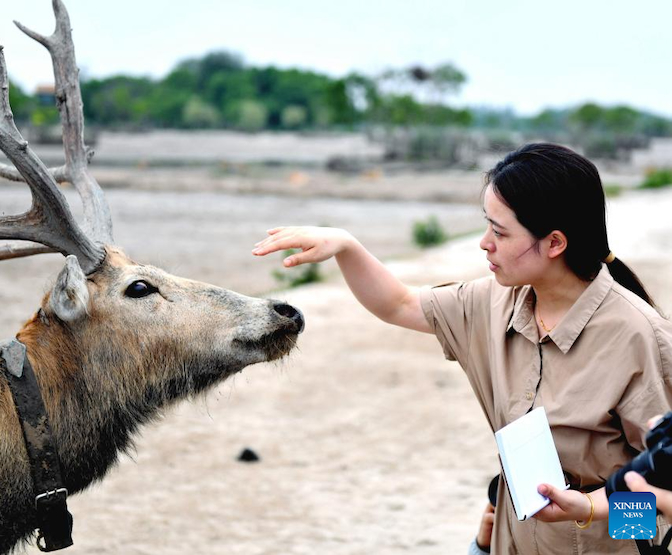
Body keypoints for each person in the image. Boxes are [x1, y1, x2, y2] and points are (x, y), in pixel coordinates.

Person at [252, 143, 672, 554]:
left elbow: (664, 500)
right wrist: (345, 246)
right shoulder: (492, 302)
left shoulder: (638, 336)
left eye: (500, 232)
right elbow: (398, 303)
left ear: (555, 243)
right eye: (486, 224)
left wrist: (587, 519)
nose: (484, 242)